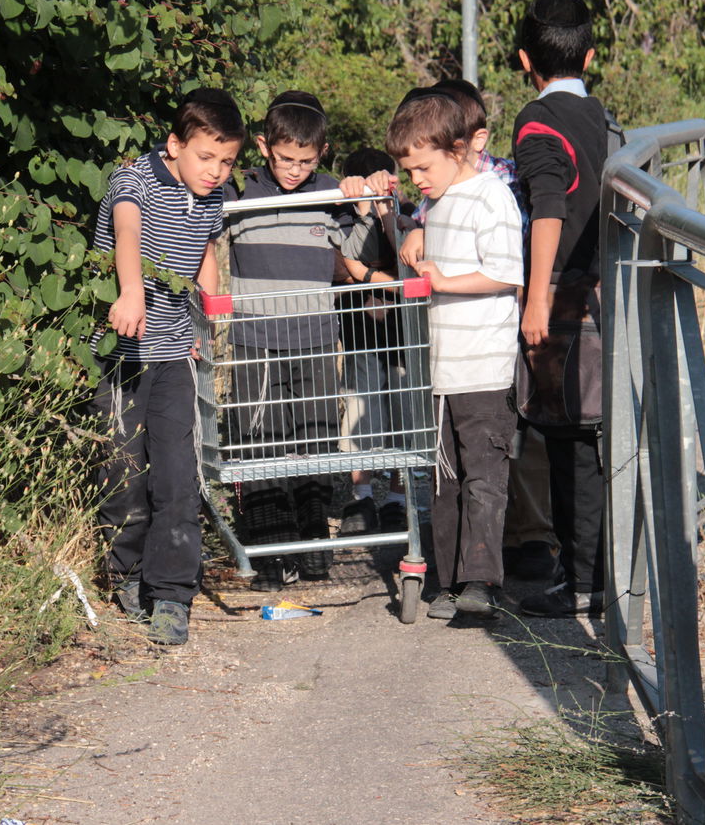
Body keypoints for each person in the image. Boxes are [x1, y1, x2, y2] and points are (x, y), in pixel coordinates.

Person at [90, 88, 246, 645]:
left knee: (179, 479)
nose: (216, 171)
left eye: (227, 161)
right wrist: (131, 292)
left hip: (175, 355)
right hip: (123, 357)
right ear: (175, 144)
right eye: (206, 158)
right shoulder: (134, 179)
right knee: (124, 477)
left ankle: (172, 595)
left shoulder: (212, 196)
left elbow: (204, 248)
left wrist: (205, 315)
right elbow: (127, 232)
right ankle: (126, 575)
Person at [385, 87, 525, 619]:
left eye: (423, 166)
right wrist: (417, 233)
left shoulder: (492, 196)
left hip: (484, 366)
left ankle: (482, 581)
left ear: (460, 148)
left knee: (483, 477)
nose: (417, 178)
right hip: (442, 368)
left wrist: (444, 280)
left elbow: (505, 272)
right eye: (410, 169)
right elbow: (428, 233)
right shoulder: (437, 201)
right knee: (443, 479)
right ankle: (448, 579)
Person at [509, 0, 615, 618]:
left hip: (568, 297)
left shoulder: (536, 122)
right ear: (591, 56)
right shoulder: (603, 117)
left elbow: (548, 205)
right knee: (593, 438)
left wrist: (537, 297)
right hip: (610, 293)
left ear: (526, 60)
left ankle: (581, 583)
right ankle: (597, 574)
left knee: (570, 437)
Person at [225, 90, 347, 592]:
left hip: (314, 337)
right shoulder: (238, 192)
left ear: (321, 154)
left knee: (313, 440)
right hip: (256, 337)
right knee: (260, 443)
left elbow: (355, 251)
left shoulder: (331, 194)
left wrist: (366, 201)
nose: (295, 170)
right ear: (263, 147)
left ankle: (313, 542)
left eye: (306, 160)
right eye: (284, 159)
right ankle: (270, 552)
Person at [334, 148, 411, 535]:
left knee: (402, 407)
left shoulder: (402, 209)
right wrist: (362, 210)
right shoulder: (342, 215)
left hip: (403, 335)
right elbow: (341, 267)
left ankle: (397, 499)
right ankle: (361, 495)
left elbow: (407, 259)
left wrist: (384, 210)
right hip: (358, 332)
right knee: (359, 404)